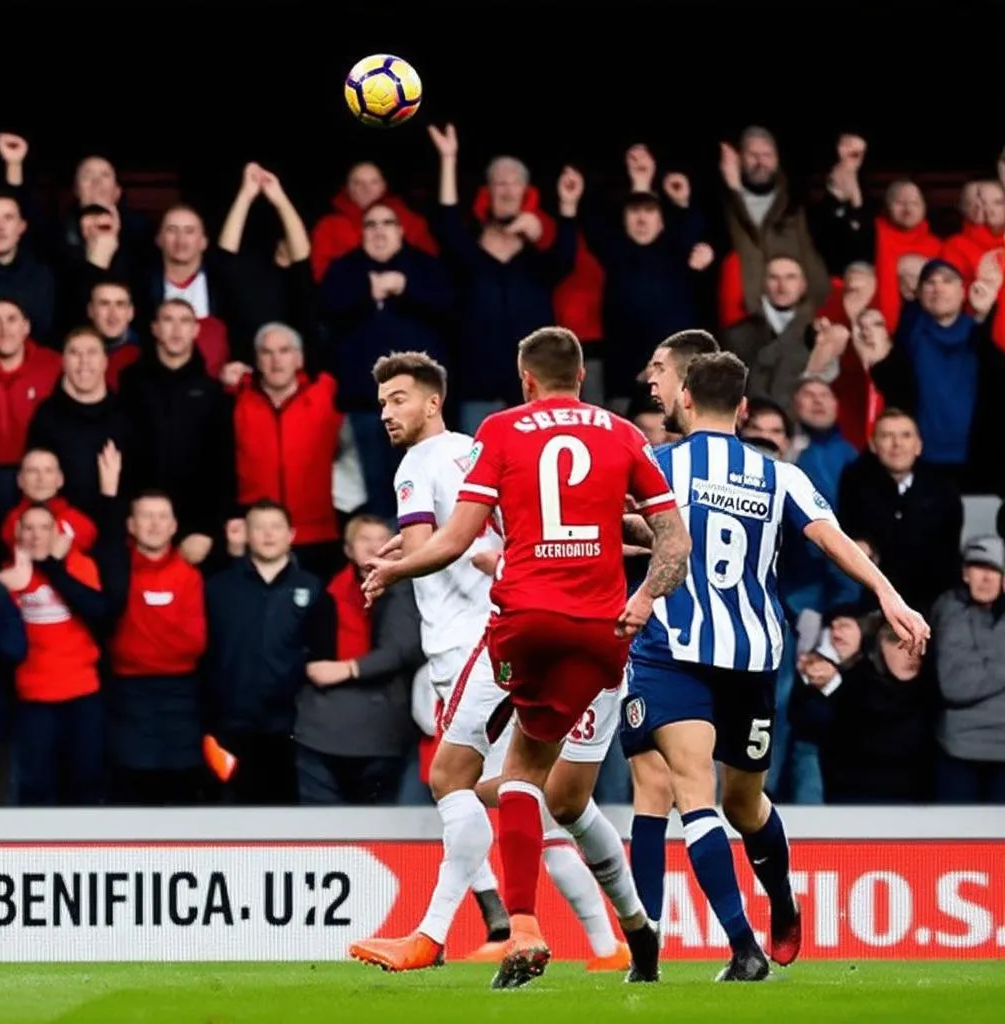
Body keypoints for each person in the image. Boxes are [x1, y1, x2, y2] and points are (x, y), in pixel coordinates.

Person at [362, 327, 693, 988]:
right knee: (563, 798)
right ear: (582, 375)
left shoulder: (501, 432)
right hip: (604, 635)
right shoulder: (624, 434)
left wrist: (390, 572)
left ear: (526, 379)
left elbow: (459, 537)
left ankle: (509, 926)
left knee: (474, 776)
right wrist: (647, 595)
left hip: (520, 633)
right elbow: (668, 535)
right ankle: (631, 932)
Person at [618, 351, 930, 981]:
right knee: (700, 792)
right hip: (751, 653)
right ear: (741, 410)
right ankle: (731, 945)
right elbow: (832, 539)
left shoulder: (657, 464)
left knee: (729, 802)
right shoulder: (778, 475)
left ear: (682, 403)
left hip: (680, 642)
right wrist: (889, 595)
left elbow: (640, 527)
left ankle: (769, 910)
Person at [625, 328, 719, 937]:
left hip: (671, 641)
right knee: (660, 786)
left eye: (658, 369)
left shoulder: (658, 463)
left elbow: (672, 544)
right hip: (741, 646)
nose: (648, 380)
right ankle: (651, 936)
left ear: (685, 384)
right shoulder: (759, 468)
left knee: (687, 792)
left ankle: (737, 938)